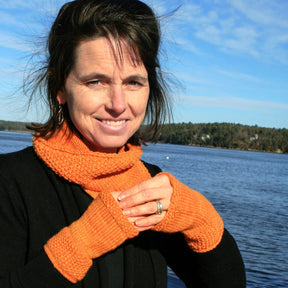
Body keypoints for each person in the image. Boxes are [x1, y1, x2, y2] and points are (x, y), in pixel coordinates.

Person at [0, 0, 246, 287]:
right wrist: (81, 243)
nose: (118, 105)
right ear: (60, 87)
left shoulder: (152, 187)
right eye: (96, 82)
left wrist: (200, 218)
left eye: (133, 82)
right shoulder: (10, 182)